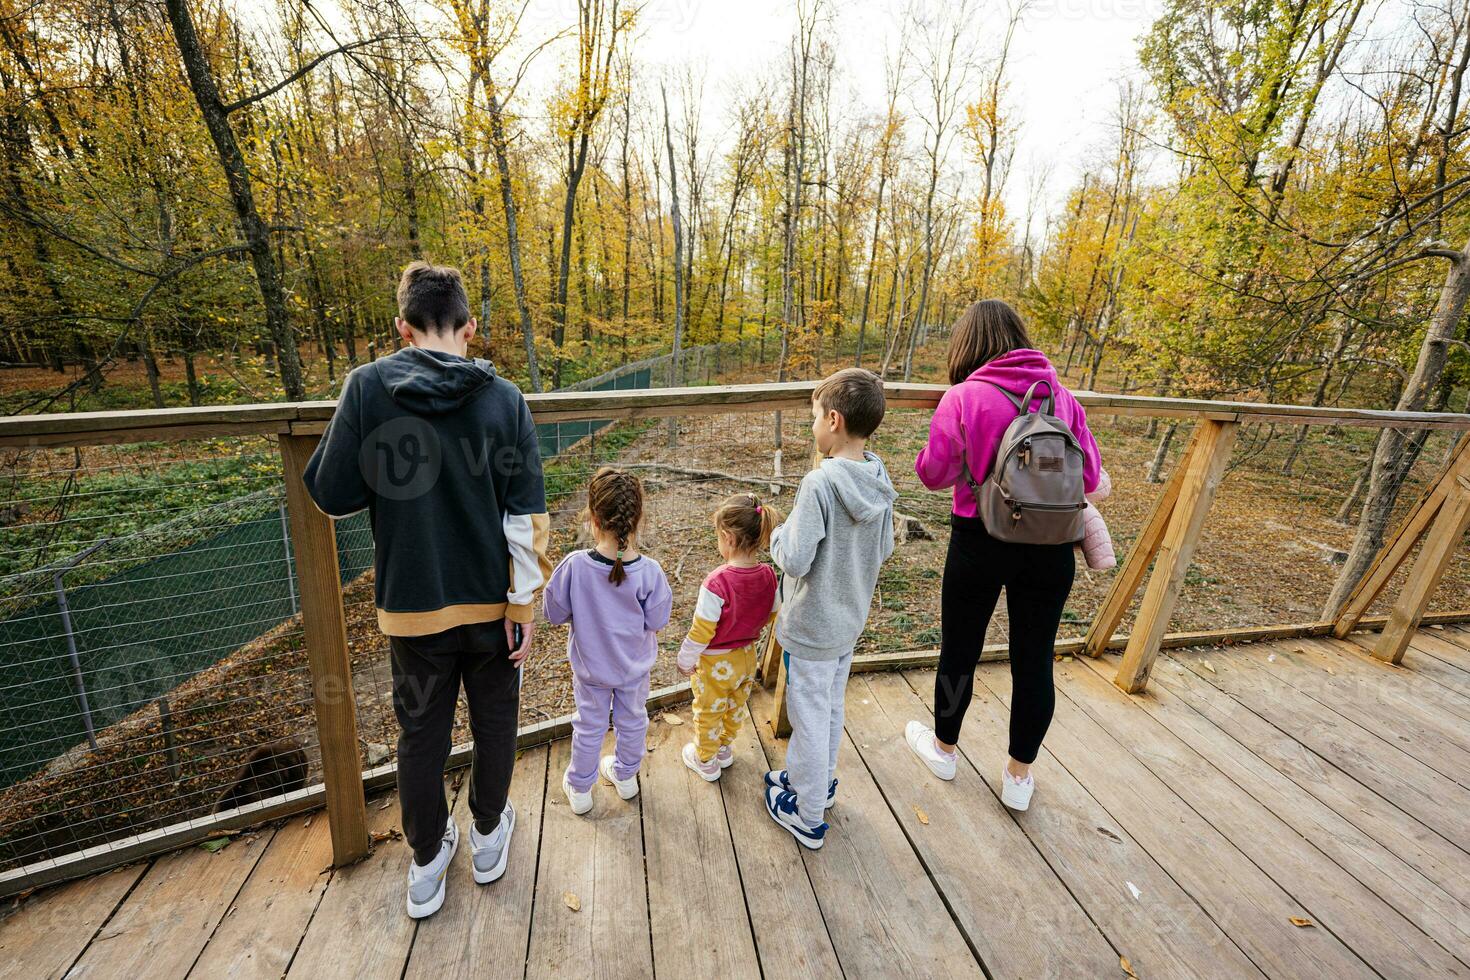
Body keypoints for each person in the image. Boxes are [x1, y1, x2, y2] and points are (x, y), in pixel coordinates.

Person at [303, 261, 551, 919]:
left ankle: (426, 862)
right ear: (472, 328)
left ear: (402, 329)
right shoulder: (507, 400)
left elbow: (331, 494)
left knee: (420, 734)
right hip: (495, 607)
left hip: (411, 611)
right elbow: (526, 516)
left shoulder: (366, 389)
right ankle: (490, 835)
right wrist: (523, 606)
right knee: (496, 721)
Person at [904, 299, 1101, 812]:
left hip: (979, 538)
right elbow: (1092, 476)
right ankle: (1018, 777)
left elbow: (934, 474)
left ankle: (944, 750)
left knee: (960, 650)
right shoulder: (1060, 397)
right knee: (1034, 660)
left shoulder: (964, 397)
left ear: (967, 345)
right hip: (1052, 543)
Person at [764, 368, 897, 849]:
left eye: (814, 417)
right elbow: (883, 548)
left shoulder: (819, 485)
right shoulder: (877, 476)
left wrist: (777, 537)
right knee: (829, 709)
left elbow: (796, 558)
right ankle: (818, 785)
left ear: (834, 420)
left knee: (808, 714)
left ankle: (806, 811)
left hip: (812, 626)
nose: (812, 427)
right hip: (848, 623)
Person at [543, 467, 673, 815]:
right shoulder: (651, 572)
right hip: (633, 672)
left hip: (591, 673)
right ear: (638, 519)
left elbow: (553, 613)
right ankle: (626, 777)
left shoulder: (574, 567)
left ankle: (581, 788)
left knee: (589, 726)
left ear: (592, 518)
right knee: (633, 721)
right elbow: (658, 621)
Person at [676, 493, 781, 781]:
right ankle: (724, 748)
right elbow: (772, 612)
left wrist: (685, 659)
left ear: (728, 537)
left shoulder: (717, 582)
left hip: (714, 664)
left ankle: (706, 760)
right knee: (736, 706)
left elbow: (701, 630)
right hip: (747, 657)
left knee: (708, 711)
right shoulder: (769, 575)